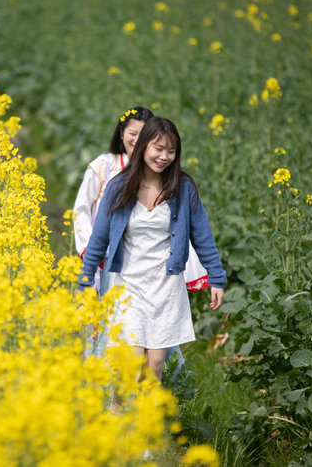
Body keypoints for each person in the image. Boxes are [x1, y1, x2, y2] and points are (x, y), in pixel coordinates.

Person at [78, 117, 226, 411]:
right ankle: (117, 411)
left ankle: (143, 435)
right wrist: (85, 280)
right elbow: (100, 237)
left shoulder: (183, 187)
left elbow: (202, 234)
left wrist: (216, 278)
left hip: (166, 284)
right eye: (159, 149)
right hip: (128, 283)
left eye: (171, 151)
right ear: (144, 145)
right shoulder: (120, 186)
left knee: (155, 363)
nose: (164, 157)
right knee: (131, 359)